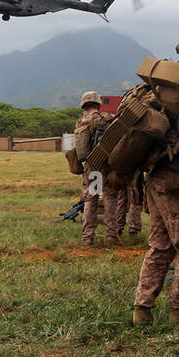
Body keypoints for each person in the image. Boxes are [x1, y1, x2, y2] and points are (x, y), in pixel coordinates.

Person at [132, 116, 179, 326]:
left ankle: (142, 309)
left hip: (158, 179)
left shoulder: (162, 104)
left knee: (160, 247)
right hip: (175, 182)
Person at [73, 92, 110, 246]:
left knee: (89, 198)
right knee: (102, 199)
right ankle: (107, 236)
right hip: (98, 165)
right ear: (98, 103)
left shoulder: (81, 121)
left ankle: (87, 237)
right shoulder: (98, 119)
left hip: (88, 166)